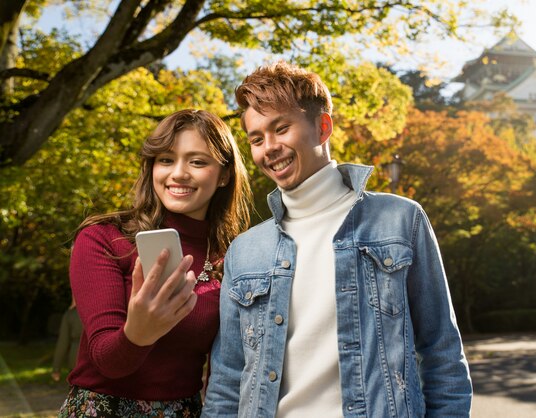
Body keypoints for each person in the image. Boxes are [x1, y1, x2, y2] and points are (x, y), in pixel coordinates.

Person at [203, 61, 472, 417]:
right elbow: (226, 381)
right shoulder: (246, 250)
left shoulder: (400, 221)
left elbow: (442, 353)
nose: (268, 148)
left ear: (322, 127)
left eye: (280, 129)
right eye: (256, 139)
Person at [59, 109, 252, 417]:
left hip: (185, 411)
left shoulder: (235, 258)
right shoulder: (105, 238)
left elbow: (226, 372)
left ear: (225, 175)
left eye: (197, 161)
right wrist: (138, 332)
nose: (178, 173)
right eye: (165, 159)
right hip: (103, 409)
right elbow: (107, 360)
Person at [51, 295, 83, 382]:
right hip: (100, 361)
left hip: (76, 360)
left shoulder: (71, 314)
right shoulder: (102, 311)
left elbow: (63, 343)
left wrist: (56, 368)